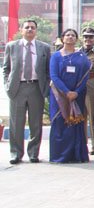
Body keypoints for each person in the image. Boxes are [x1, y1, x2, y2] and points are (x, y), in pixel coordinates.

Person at [4, 19, 51, 164]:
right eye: (27, 27)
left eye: (32, 28)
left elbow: (48, 69)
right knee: (16, 122)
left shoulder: (44, 47)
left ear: (36, 31)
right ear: (21, 30)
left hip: (36, 87)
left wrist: (46, 87)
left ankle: (33, 153)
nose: (30, 30)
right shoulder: (12, 46)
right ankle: (16, 153)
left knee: (35, 122)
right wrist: (7, 85)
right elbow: (6, 69)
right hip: (17, 88)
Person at [49, 28, 92, 163]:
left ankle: (76, 155)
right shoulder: (56, 56)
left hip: (76, 96)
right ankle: (59, 156)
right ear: (62, 38)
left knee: (75, 122)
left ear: (76, 39)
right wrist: (66, 92)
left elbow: (85, 77)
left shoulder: (81, 57)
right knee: (59, 122)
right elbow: (54, 76)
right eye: (67, 35)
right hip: (59, 96)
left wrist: (76, 92)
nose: (70, 37)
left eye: (73, 35)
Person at [80, 27, 94, 155]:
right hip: (78, 85)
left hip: (92, 83)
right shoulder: (77, 53)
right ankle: (82, 144)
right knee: (80, 116)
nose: (88, 39)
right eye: (86, 37)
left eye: (91, 37)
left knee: (93, 116)